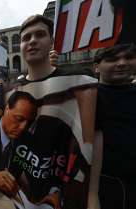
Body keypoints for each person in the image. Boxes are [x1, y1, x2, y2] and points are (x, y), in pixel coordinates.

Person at [7, 14, 97, 209]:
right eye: (26, 38)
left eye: (40, 34)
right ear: (21, 47)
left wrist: (92, 195)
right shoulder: (13, 91)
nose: (32, 41)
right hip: (23, 195)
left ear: (51, 43)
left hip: (63, 193)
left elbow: (93, 141)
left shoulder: (78, 85)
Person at [92, 43, 136, 209]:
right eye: (112, 59)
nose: (122, 63)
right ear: (97, 67)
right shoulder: (87, 97)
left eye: (129, 57)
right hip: (105, 185)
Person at [0, 91, 37, 198]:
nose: (23, 127)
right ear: (7, 109)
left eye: (29, 122)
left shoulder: (27, 139)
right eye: (19, 119)